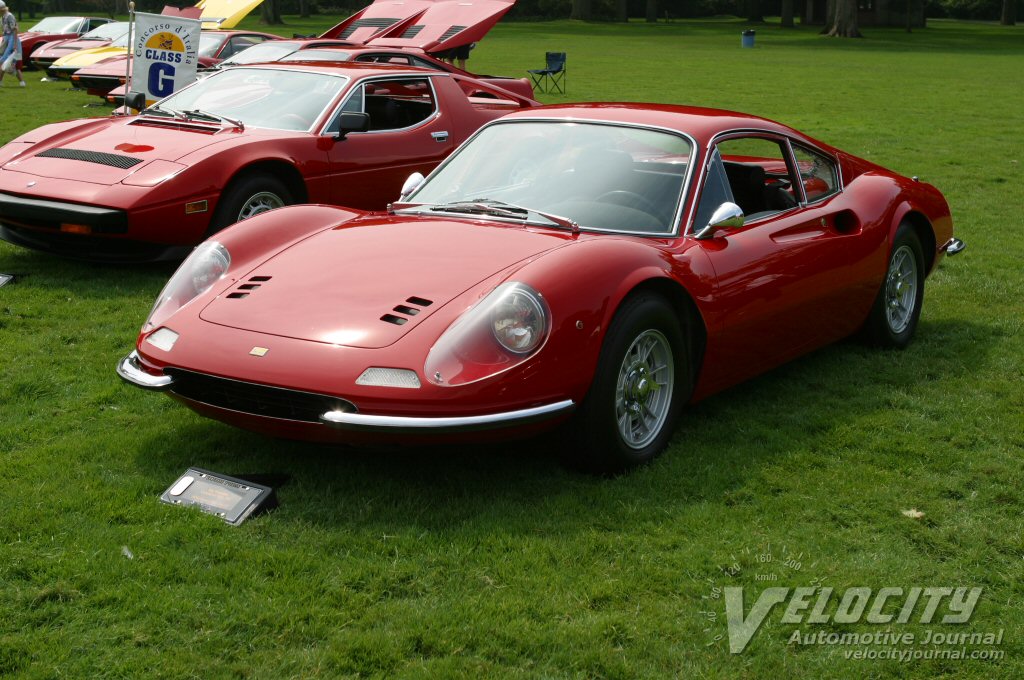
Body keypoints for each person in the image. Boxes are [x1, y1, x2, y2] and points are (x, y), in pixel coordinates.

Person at [0, 0, 26, 87]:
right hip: (7, 39)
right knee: (6, 62)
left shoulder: (9, 16)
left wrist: (14, 44)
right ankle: (22, 83)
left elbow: (15, 30)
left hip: (12, 39)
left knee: (4, 61)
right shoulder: (3, 17)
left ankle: (20, 82)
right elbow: (5, 31)